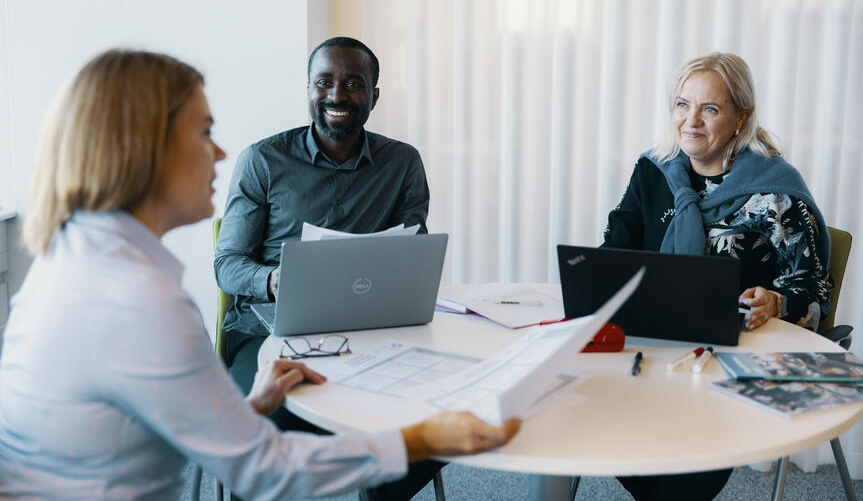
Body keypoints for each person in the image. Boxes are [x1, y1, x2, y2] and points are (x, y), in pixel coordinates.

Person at [0, 49, 520, 500]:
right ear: (143, 148)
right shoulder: (139, 301)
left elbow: (169, 427)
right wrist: (420, 440)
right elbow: (261, 468)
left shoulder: (78, 262)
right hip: (268, 332)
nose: (221, 153)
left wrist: (246, 408)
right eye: (204, 132)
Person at [214, 37, 437, 499]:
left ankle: (379, 491)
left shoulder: (402, 164)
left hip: (368, 331)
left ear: (374, 96)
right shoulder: (263, 161)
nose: (337, 95)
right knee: (266, 433)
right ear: (309, 90)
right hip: (267, 333)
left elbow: (413, 256)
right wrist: (273, 280)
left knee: (431, 413)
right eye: (324, 82)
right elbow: (227, 264)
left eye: (353, 84)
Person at [603, 52, 831, 501]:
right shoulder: (653, 170)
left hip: (734, 362)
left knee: (683, 469)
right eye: (682, 105)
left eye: (709, 109)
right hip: (654, 351)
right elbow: (614, 254)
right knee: (598, 422)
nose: (691, 121)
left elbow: (812, 290)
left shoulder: (775, 190)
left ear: (740, 117)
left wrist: (775, 301)